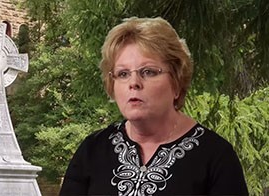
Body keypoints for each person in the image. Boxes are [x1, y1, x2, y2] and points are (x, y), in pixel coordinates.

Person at [59, 17, 248, 195]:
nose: (134, 82)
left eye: (148, 72)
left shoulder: (216, 158)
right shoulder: (92, 151)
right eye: (123, 74)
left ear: (176, 81)